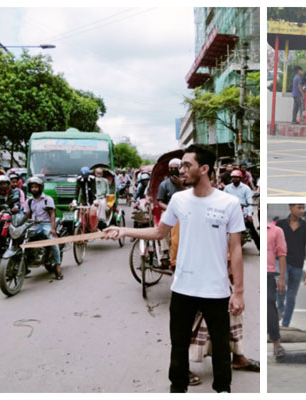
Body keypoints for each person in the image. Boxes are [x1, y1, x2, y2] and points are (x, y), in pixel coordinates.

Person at [104, 145, 245, 393]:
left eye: (186, 165)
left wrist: (239, 292)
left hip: (216, 291)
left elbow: (236, 249)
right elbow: (159, 232)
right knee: (178, 346)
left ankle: (223, 391)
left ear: (204, 169)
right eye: (181, 165)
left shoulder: (229, 203)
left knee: (222, 350)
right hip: (183, 289)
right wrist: (124, 231)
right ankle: (177, 390)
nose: (181, 170)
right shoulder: (179, 200)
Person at [276, 204, 306, 328]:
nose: (302, 211)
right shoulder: (280, 225)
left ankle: (285, 324)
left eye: (303, 208)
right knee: (281, 284)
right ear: (290, 207)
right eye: (299, 207)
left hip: (298, 265)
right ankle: (281, 309)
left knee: (292, 296)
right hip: (282, 262)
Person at [23, 177, 62, 280]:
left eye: (36, 187)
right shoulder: (29, 201)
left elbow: (52, 214)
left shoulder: (47, 199)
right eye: (32, 187)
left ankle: (57, 267)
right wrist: (19, 224)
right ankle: (24, 266)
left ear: (40, 188)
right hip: (33, 225)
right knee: (22, 239)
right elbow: (26, 215)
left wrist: (53, 228)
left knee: (53, 242)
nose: (34, 189)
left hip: (46, 224)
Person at [158, 158, 186, 269]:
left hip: (186, 211)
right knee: (163, 224)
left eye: (176, 168)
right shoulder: (164, 184)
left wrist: (181, 186)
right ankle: (165, 252)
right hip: (169, 210)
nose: (173, 170)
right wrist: (170, 210)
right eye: (171, 169)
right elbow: (160, 201)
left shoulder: (187, 182)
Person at [223, 170, 259, 250]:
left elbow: (249, 201)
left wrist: (249, 214)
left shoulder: (246, 188)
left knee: (252, 230)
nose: (234, 179)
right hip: (231, 211)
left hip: (243, 210)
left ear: (240, 178)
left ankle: (260, 248)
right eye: (233, 177)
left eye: (236, 177)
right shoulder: (227, 188)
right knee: (223, 229)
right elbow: (223, 199)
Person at [267, 223, 287, 357]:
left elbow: (281, 255)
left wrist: (282, 278)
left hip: (268, 274)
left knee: (270, 307)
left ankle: (276, 342)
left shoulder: (276, 231)